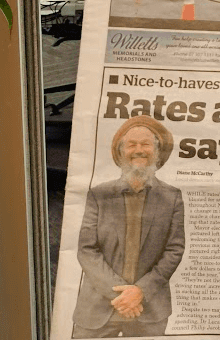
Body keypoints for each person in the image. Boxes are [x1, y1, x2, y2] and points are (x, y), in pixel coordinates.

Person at [73, 116, 185, 337]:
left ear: (157, 150)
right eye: (131, 144)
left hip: (149, 309)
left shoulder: (172, 197)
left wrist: (141, 292)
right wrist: (124, 296)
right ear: (120, 151)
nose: (139, 150)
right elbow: (87, 250)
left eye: (146, 144)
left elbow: (174, 250)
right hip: (97, 309)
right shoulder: (99, 194)